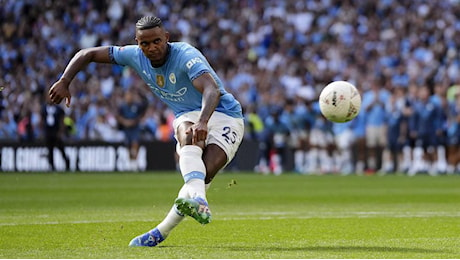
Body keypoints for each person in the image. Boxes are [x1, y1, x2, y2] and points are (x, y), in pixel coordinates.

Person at [48, 16, 244, 247]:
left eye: (157, 41)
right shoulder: (133, 55)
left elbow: (211, 89)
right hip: (187, 115)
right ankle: (199, 201)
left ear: (167, 38)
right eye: (145, 43)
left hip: (224, 114)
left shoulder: (185, 55)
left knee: (206, 172)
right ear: (137, 43)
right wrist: (64, 80)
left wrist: (203, 121)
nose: (151, 48)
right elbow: (86, 54)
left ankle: (161, 231)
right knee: (190, 148)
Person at [41, 97, 70, 171]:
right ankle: (52, 166)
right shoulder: (44, 108)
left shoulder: (59, 109)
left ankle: (67, 163)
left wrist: (60, 132)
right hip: (48, 132)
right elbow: (42, 121)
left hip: (56, 131)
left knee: (61, 148)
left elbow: (62, 122)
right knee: (50, 150)